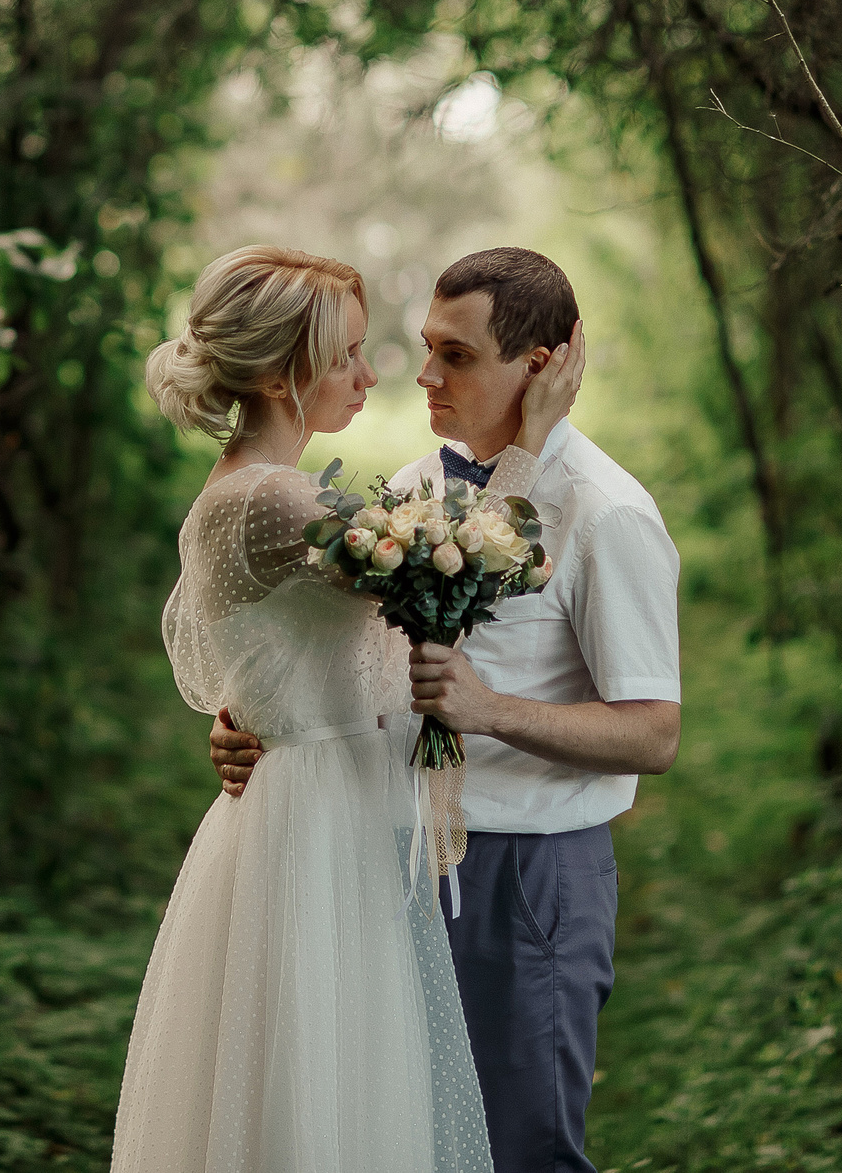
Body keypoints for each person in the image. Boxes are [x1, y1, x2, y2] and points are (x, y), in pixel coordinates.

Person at [209, 246, 682, 1173]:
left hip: (525, 879)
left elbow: (654, 732)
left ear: (539, 366)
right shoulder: (412, 489)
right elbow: (342, 650)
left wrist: (493, 709)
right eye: (427, 346)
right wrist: (258, 717)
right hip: (380, 865)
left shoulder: (607, 513)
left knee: (522, 1149)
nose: (422, 373)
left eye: (456, 355)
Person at [112, 243, 579, 1173]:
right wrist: (531, 441)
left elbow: (282, 651)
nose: (372, 376)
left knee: (333, 1068)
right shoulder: (274, 501)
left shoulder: (255, 494)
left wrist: (249, 713)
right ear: (287, 374)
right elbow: (478, 568)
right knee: (324, 1073)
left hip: (321, 797)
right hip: (318, 819)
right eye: (348, 356)